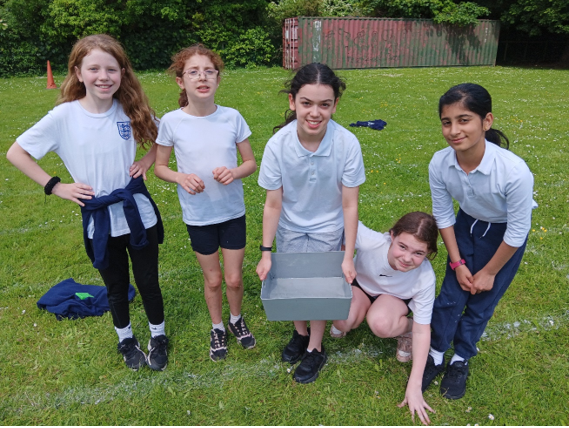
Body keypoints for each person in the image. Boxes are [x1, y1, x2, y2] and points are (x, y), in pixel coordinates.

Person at [6, 34, 168, 371]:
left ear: (122, 73)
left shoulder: (130, 108)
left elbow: (164, 135)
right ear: (78, 73)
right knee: (116, 285)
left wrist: (148, 161)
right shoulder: (64, 117)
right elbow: (16, 153)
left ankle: (158, 335)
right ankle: (126, 338)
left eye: (112, 69)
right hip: (100, 220)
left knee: (148, 281)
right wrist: (56, 186)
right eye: (93, 68)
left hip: (137, 214)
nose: (103, 76)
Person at [423, 83, 535, 400]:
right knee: (449, 297)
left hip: (503, 237)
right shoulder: (439, 163)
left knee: (481, 302)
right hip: (466, 225)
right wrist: (457, 263)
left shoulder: (514, 172)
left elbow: (517, 231)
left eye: (464, 120)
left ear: (486, 121)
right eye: (447, 122)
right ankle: (435, 353)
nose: (454, 130)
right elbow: (443, 214)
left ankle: (460, 359)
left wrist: (489, 272)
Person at [256, 63, 366, 384]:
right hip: (290, 227)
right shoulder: (278, 145)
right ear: (292, 102)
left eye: (324, 104)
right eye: (306, 103)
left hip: (329, 229)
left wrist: (347, 255)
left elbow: (350, 202)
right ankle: (300, 334)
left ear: (335, 105)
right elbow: (273, 203)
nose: (314, 113)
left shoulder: (347, 144)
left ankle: (316, 348)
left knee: (319, 288)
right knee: (293, 285)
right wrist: (266, 252)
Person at [154, 44, 257, 362]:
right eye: (193, 72)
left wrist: (235, 171)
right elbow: (159, 167)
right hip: (198, 215)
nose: (202, 77)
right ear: (181, 82)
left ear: (218, 79)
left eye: (208, 71)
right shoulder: (172, 122)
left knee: (234, 278)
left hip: (231, 213)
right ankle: (217, 327)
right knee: (213, 279)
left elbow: (251, 162)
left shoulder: (232, 117)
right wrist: (180, 177)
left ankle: (236, 320)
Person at [330, 212, 438, 425]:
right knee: (341, 320)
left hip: (394, 299)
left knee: (381, 324)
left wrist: (414, 386)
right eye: (403, 247)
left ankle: (402, 327)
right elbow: (343, 215)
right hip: (362, 285)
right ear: (391, 236)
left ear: (429, 253)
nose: (407, 258)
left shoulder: (425, 277)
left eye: (418, 253)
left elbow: (422, 330)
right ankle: (358, 312)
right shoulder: (372, 242)